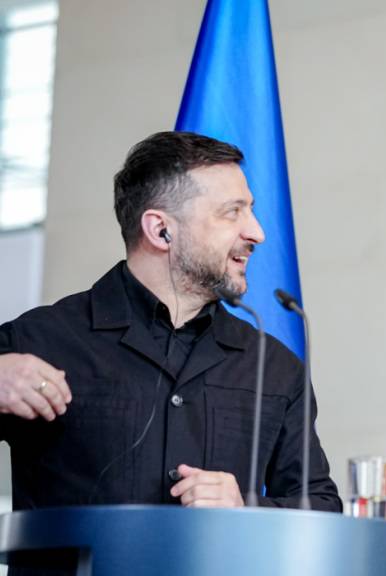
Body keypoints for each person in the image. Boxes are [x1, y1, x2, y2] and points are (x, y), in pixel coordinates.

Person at [0, 131, 340, 511]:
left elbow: (322, 506)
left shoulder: (274, 367)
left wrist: (249, 510)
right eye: (233, 212)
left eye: (251, 210)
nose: (257, 233)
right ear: (161, 230)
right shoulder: (38, 339)